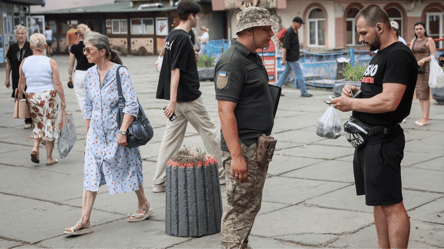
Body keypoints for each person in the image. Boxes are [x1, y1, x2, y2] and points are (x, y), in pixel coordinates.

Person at [330, 5, 417, 249]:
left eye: (363, 33)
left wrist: (352, 103)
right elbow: (378, 88)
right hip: (369, 140)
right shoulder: (381, 54)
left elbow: (390, 100)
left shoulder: (398, 55)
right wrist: (357, 89)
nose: (360, 39)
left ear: (380, 27)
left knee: (392, 204)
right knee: (378, 201)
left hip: (383, 141)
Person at [64, 32, 153, 235]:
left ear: (102, 52)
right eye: (84, 49)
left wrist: (122, 132)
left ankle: (144, 204)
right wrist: (88, 136)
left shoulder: (120, 73)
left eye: (89, 49)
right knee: (91, 174)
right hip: (96, 134)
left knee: (130, 167)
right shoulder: (89, 75)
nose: (84, 53)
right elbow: (88, 107)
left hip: (118, 133)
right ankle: (85, 220)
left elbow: (131, 105)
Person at [214, 7, 275, 249]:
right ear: (249, 30)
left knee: (250, 204)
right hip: (243, 147)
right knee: (239, 208)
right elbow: (224, 111)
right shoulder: (232, 60)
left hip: (255, 145)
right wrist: (237, 157)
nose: (271, 33)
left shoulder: (251, 56)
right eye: (265, 28)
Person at [154, 0, 223, 193]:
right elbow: (175, 70)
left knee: (170, 140)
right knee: (209, 131)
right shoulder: (183, 38)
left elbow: (176, 60)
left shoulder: (173, 36)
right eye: (197, 16)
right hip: (188, 98)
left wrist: (191, 57)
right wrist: (173, 102)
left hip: (179, 98)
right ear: (191, 16)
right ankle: (222, 172)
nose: (199, 18)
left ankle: (159, 181)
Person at [17, 33, 67, 165]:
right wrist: (63, 99)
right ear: (45, 46)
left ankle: (35, 147)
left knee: (37, 122)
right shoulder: (50, 62)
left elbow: (21, 83)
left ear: (31, 46)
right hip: (48, 95)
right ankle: (49, 158)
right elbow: (57, 84)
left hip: (31, 95)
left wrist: (20, 97)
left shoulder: (24, 62)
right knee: (48, 124)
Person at [5, 25, 33, 129]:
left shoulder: (31, 47)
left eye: (22, 33)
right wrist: (7, 78)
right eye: (18, 33)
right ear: (16, 35)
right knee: (21, 98)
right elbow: (8, 63)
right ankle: (28, 119)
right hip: (16, 78)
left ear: (26, 35)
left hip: (29, 78)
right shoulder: (12, 48)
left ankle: (31, 119)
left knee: (29, 98)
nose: (20, 35)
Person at [276, 17, 312, 97]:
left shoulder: (295, 31)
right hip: (291, 58)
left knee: (285, 74)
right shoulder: (289, 32)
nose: (300, 26)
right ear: (295, 22)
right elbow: (284, 47)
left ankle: (276, 90)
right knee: (299, 74)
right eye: (300, 24)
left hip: (293, 57)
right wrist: (283, 59)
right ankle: (304, 92)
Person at [409, 22, 437, 126]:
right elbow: (410, 54)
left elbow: (434, 55)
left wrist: (424, 59)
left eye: (420, 28)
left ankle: (425, 118)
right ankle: (423, 116)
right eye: (416, 29)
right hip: (416, 69)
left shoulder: (429, 40)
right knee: (419, 93)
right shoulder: (413, 41)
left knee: (424, 93)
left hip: (425, 68)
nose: (418, 31)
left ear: (424, 29)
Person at [67, 23, 94, 111]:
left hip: (79, 74)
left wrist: (70, 77)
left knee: (82, 99)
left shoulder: (74, 47)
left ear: (78, 34)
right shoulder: (92, 46)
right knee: (94, 98)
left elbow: (71, 65)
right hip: (92, 73)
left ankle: (86, 120)